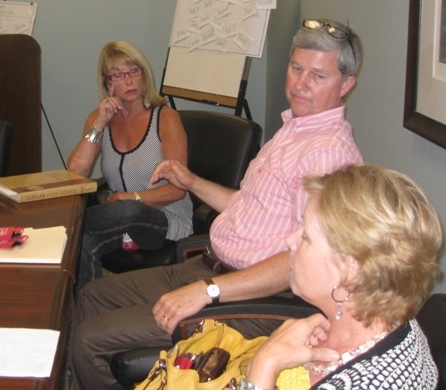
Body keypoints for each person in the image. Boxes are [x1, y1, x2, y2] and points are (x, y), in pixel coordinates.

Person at [71, 18, 364, 389]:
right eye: (296, 68)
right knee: (94, 296)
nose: (300, 84)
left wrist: (208, 291)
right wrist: (192, 182)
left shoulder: (327, 155)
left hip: (247, 294)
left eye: (318, 76)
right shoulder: (294, 130)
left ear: (346, 85)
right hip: (207, 266)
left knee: (88, 340)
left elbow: (301, 262)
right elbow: (247, 205)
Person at [242, 164, 442, 389]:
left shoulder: (367, 383)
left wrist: (263, 367)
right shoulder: (390, 321)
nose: (290, 240)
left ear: (349, 268)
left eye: (305, 236)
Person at [67, 41, 193, 291]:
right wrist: (100, 123)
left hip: (165, 219)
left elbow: (177, 190)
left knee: (128, 210)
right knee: (83, 244)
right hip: (119, 221)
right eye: (118, 75)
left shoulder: (165, 118)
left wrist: (132, 198)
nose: (129, 81)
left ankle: (70, 221)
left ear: (144, 74)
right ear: (107, 82)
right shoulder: (99, 118)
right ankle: (90, 318)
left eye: (134, 71)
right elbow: (75, 173)